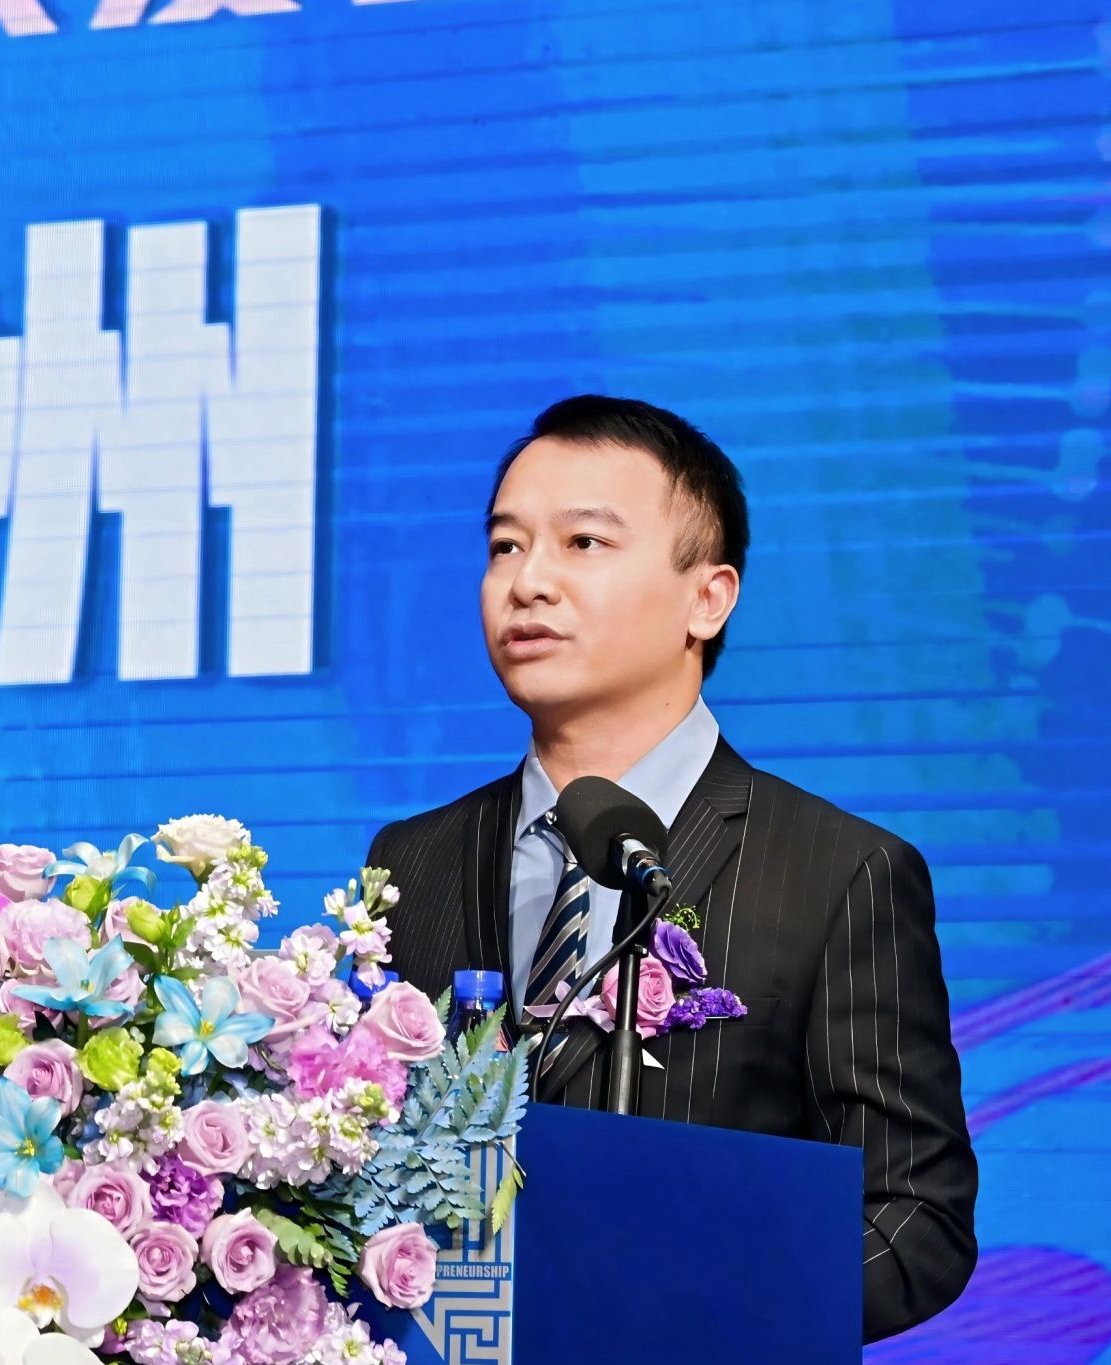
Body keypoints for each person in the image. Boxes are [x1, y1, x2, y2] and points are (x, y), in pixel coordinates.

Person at [365, 395, 978, 1342]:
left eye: (584, 543)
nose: (529, 582)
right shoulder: (411, 860)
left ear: (709, 597)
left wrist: (692, 1321)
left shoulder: (839, 874)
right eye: (505, 546)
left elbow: (915, 1220)